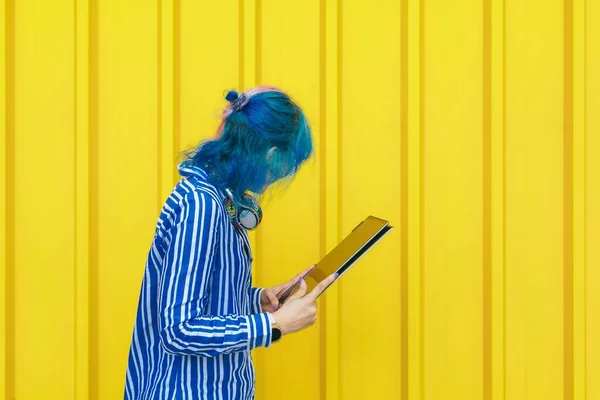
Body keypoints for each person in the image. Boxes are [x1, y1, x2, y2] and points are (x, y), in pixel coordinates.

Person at [124, 86, 337, 399]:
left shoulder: (218, 200)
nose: (277, 178)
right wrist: (274, 324)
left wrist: (259, 300)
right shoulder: (202, 206)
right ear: (271, 155)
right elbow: (179, 330)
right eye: (284, 166)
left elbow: (202, 297)